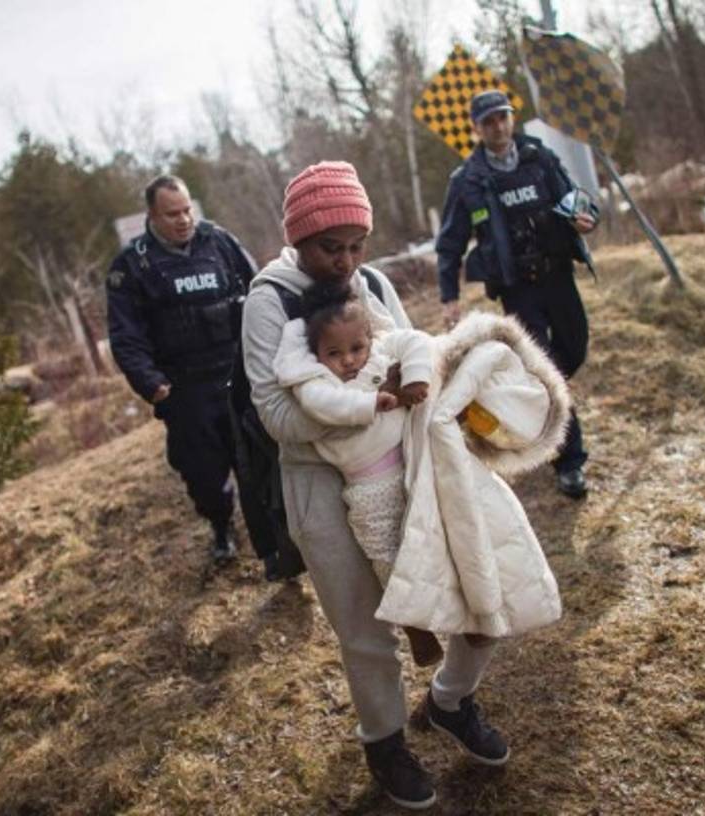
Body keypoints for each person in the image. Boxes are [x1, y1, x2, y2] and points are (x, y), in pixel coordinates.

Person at [243, 161, 566, 810]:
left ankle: (450, 700)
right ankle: (384, 741)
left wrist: (447, 381)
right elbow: (275, 414)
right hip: (319, 480)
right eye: (330, 247)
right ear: (298, 239)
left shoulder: (371, 283)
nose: (345, 261)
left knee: (470, 582)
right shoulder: (268, 300)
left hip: (405, 462)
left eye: (356, 245)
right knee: (366, 627)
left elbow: (409, 351)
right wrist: (366, 407)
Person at [435, 89, 599, 499]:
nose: (498, 126)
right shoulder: (467, 181)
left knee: (574, 348)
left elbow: (574, 200)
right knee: (548, 368)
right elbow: (450, 243)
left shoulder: (539, 158)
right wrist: (448, 296)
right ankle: (570, 462)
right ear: (476, 128)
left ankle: (530, 398)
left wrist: (585, 219)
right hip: (517, 289)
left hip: (558, 276)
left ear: (511, 118)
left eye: (503, 117)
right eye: (488, 121)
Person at [273, 280, 444, 668]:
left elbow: (417, 341)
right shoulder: (317, 380)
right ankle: (417, 628)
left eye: (356, 348)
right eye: (334, 353)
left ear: (369, 339)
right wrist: (369, 403)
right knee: (385, 553)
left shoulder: (380, 351)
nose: (349, 361)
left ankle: (455, 605)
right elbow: (322, 404)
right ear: (317, 354)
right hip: (367, 483)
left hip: (414, 462)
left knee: (433, 534)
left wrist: (416, 378)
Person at [105, 175, 255, 565]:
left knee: (256, 461)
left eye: (188, 210)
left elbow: (258, 293)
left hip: (237, 375)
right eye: (173, 214)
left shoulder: (219, 242)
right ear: (152, 215)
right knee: (203, 474)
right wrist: (152, 385)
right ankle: (221, 526)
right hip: (185, 390)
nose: (184, 219)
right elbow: (125, 336)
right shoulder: (132, 265)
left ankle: (273, 539)